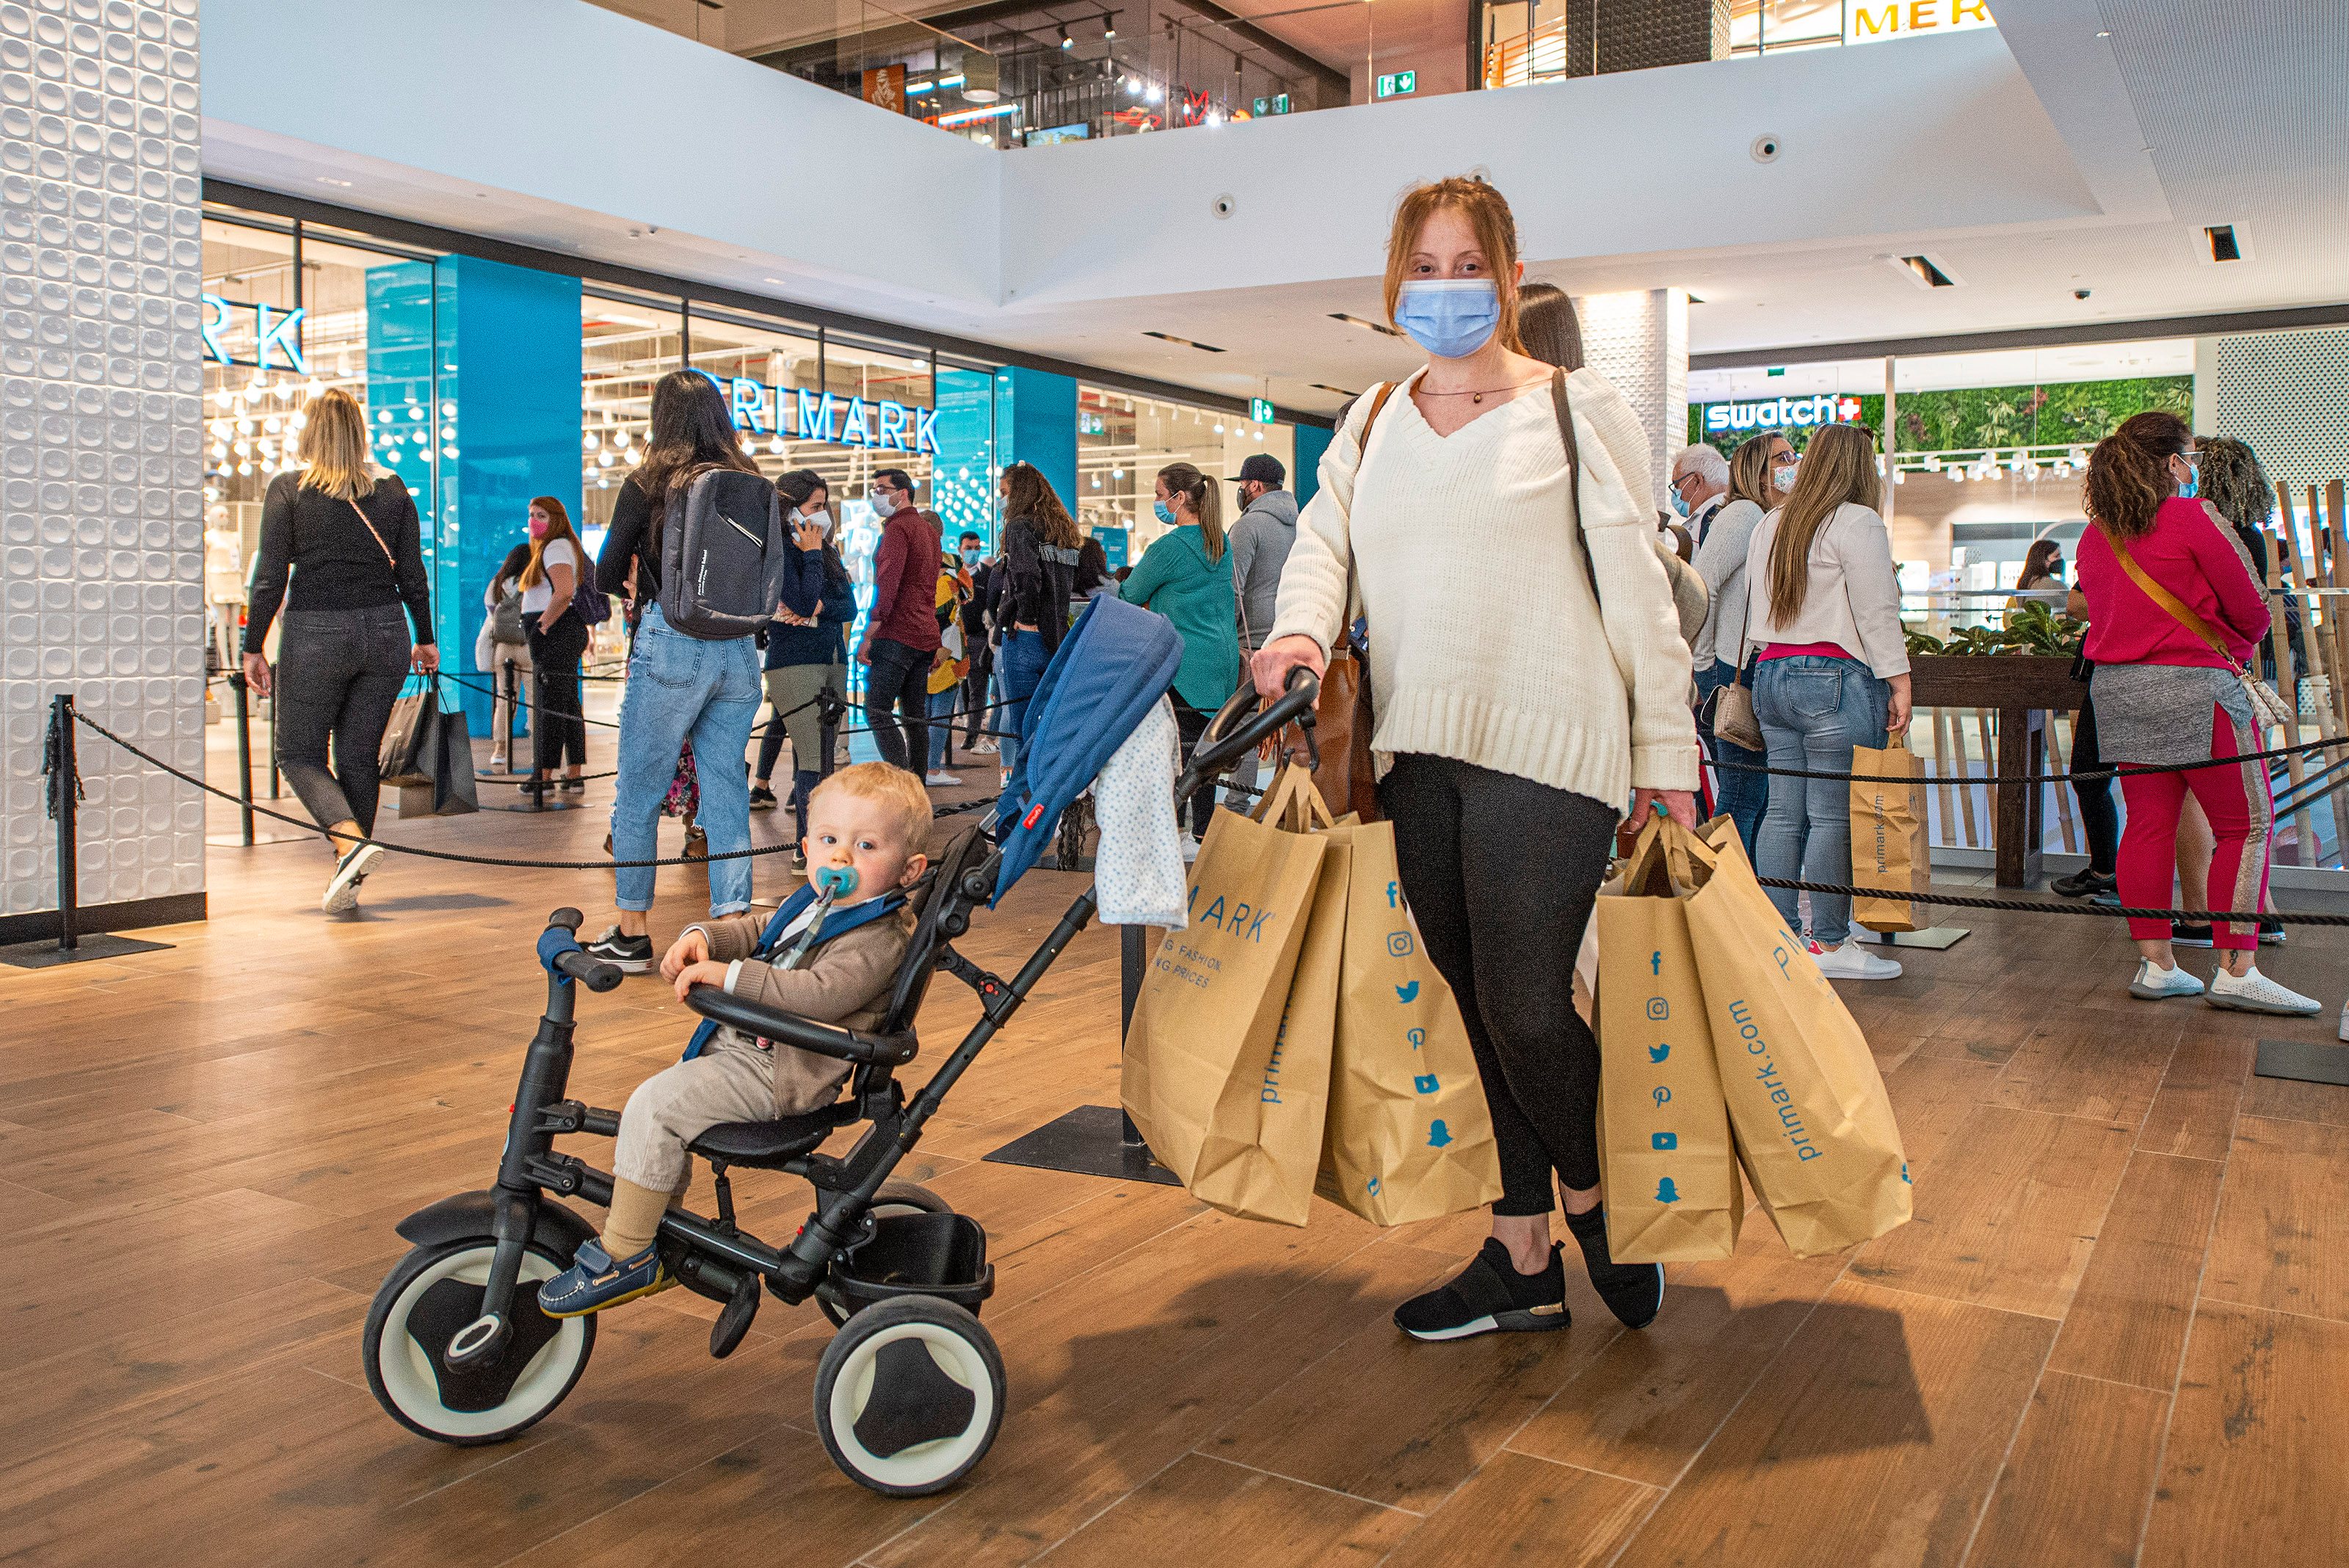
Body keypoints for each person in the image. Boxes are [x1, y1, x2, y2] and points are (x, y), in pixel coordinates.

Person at [1255, 176, 1696, 1343]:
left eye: (1469, 266)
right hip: (1414, 752)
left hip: (1553, 747)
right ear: (1396, 282)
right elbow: (1323, 543)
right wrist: (1298, 629)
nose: (1446, 289)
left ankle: (1597, 1204)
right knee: (1477, 1010)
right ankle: (1520, 1258)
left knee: (1529, 1005)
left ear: (1508, 277)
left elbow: (1639, 594)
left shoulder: (1575, 409)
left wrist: (1669, 754)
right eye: (1425, 267)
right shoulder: (1375, 417)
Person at [539, 763, 930, 1317]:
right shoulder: (822, 902)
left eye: (866, 845)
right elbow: (759, 931)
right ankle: (661, 1228)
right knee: (664, 1105)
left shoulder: (879, 936)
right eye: (828, 840)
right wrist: (707, 936)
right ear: (806, 846)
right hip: (750, 1049)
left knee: (655, 1107)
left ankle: (628, 1252)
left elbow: (817, 994)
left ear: (909, 869)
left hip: (784, 1074)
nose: (841, 857)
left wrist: (730, 977)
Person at [2077, 415, 2309, 1012]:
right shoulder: (2193, 516)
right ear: (2172, 464)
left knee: (2148, 824)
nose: (2193, 466)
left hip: (2120, 693)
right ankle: (2238, 966)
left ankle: (2157, 964)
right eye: (2189, 455)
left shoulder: (2094, 535)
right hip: (2196, 690)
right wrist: (2227, 649)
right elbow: (2252, 610)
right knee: (2246, 825)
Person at [587, 369, 768, 972]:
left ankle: (632, 931)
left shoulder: (650, 482)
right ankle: (731, 927)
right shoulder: (751, 481)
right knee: (726, 791)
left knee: (637, 790)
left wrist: (639, 577)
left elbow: (606, 573)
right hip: (740, 649)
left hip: (673, 641)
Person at [241, 386, 438, 915]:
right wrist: (425, 637)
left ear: (311, 433)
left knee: (298, 753)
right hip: (387, 632)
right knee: (357, 756)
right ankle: (348, 874)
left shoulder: (289, 490)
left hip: (315, 634)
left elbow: (268, 579)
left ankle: (349, 845)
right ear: (359, 432)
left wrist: (252, 645)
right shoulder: (394, 491)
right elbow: (413, 575)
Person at [1738, 421, 1908, 980]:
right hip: (1833, 677)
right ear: (1862, 469)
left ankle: (1778, 940)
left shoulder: (1771, 523)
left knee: (1783, 812)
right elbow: (1877, 611)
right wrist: (1899, 680)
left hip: (1770, 675)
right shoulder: (1858, 522)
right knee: (1831, 816)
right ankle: (1831, 945)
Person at [1123, 461, 1240, 852]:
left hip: (1182, 666)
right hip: (1219, 663)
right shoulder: (1220, 543)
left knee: (1174, 752)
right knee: (1204, 751)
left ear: (1180, 498)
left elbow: (1129, 596)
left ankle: (1172, 832)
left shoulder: (1169, 549)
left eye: (1160, 495)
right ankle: (1202, 834)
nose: (1157, 503)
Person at [1690, 431, 1793, 852]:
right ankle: (1726, 899)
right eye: (1782, 457)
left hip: (1745, 665)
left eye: (1792, 454)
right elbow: (1703, 586)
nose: (1792, 463)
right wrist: (1701, 665)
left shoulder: (1766, 519)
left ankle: (1741, 898)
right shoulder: (1744, 515)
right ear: (1758, 469)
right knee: (1742, 797)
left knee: (1754, 796)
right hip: (1728, 670)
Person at [750, 471, 854, 866]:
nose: (823, 515)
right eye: (815, 507)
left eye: (825, 506)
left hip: (832, 658)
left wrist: (820, 609)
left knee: (824, 757)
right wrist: (810, 555)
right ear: (790, 507)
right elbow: (801, 597)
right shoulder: (778, 551)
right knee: (813, 758)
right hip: (794, 662)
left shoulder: (828, 550)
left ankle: (814, 844)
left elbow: (849, 605)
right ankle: (808, 850)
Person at [995, 460, 1082, 780]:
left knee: (1022, 727)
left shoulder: (1019, 527)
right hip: (1057, 638)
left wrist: (1026, 618)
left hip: (1026, 637)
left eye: (1004, 492)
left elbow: (1026, 576)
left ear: (1018, 493)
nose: (1000, 499)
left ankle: (1024, 801)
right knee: (1049, 725)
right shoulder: (1063, 532)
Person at [857, 468, 941, 776]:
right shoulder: (929, 531)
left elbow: (887, 583)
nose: (876, 495)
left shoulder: (897, 529)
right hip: (924, 633)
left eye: (882, 489)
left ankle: (902, 780)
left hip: (897, 633)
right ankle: (917, 785)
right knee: (914, 716)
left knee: (877, 709)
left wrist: (870, 631)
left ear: (902, 493)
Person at [1224, 453, 1296, 810]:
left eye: (1241, 485)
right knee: (1289, 730)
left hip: (1251, 645)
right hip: (1292, 641)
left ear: (1254, 485)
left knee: (1247, 730)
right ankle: (1285, 804)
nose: (1239, 492)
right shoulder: (1300, 525)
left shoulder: (1247, 527)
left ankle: (1237, 806)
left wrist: (1229, 632)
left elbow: (1234, 587)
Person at [519, 496, 589, 793]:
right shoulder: (556, 547)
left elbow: (563, 592)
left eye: (542, 515)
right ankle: (572, 773)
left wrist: (542, 626)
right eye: (532, 514)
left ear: (556, 519)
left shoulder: (556, 547)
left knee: (551, 705)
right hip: (561, 631)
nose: (534, 520)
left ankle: (544, 777)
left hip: (556, 631)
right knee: (566, 703)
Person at [476, 538, 534, 771]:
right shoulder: (534, 581)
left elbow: (491, 613)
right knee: (534, 700)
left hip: (503, 647)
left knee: (504, 699)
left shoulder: (497, 583)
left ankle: (500, 750)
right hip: (528, 645)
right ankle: (536, 751)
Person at [926, 516, 972, 786]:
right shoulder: (952, 564)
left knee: (921, 711)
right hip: (949, 646)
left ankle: (921, 766)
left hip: (920, 643)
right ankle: (931, 769)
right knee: (941, 712)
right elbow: (968, 595)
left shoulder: (911, 562)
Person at [956, 529, 998, 755]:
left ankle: (972, 732)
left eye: (976, 548)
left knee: (977, 687)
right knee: (963, 686)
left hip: (980, 638)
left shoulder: (988, 575)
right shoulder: (954, 576)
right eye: (968, 548)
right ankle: (968, 724)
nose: (973, 552)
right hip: (957, 638)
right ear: (960, 550)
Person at [1669, 442, 1732, 548]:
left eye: (1677, 484)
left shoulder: (1714, 517)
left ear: (1698, 480)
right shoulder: (1716, 512)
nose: (1675, 492)